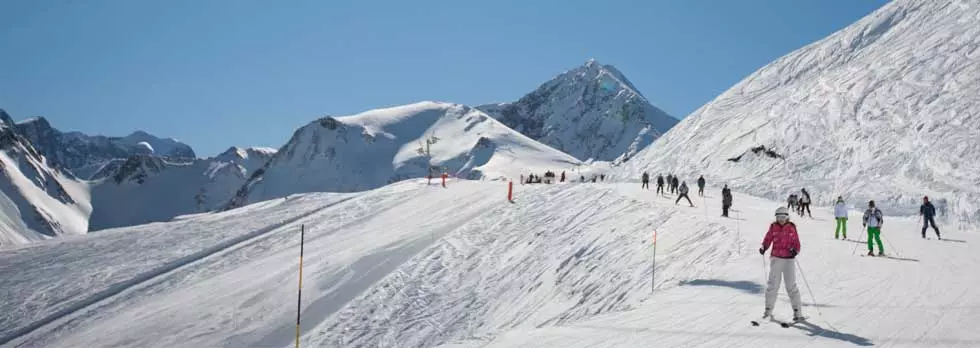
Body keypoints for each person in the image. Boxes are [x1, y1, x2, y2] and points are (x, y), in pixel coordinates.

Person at [760, 207, 803, 321]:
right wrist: (764, 247)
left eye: (783, 217)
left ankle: (797, 312)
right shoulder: (773, 227)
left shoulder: (791, 227)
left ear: (787, 217)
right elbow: (768, 238)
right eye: (779, 217)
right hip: (776, 259)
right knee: (772, 285)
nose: (781, 220)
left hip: (789, 260)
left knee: (791, 286)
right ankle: (768, 310)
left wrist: (795, 250)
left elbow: (796, 242)